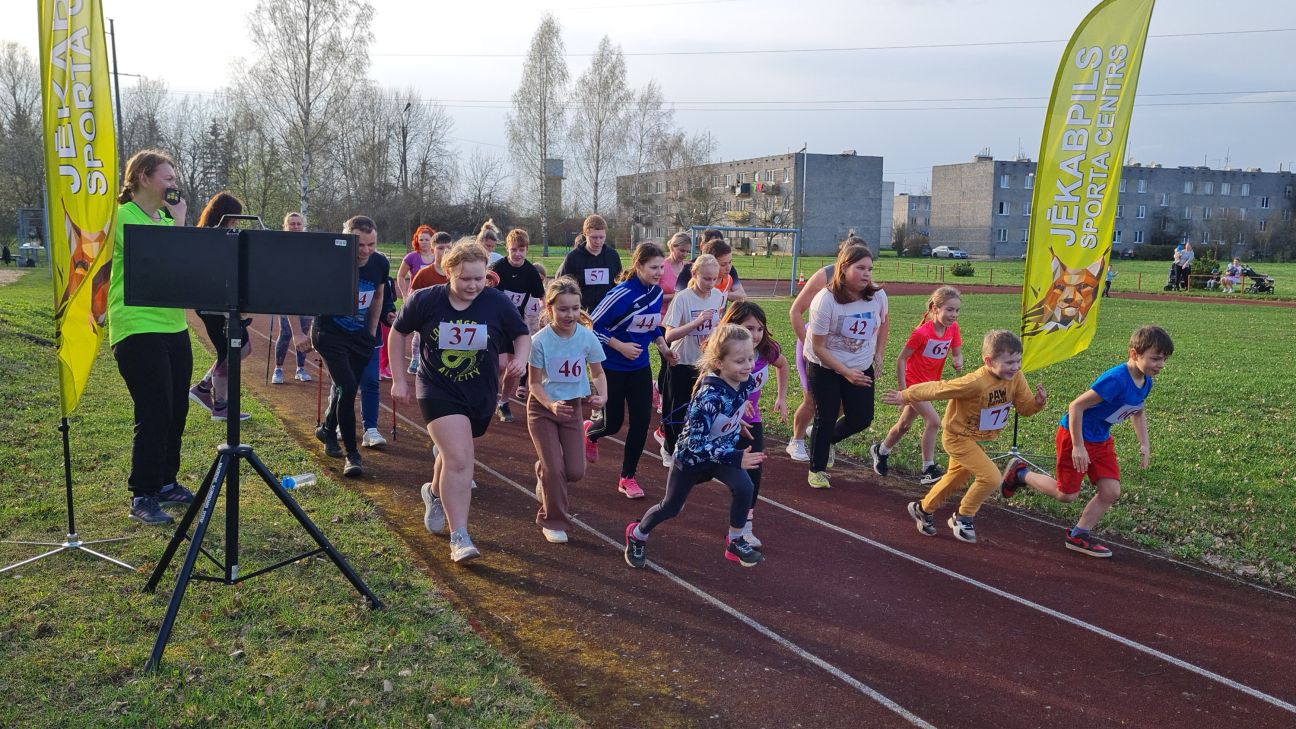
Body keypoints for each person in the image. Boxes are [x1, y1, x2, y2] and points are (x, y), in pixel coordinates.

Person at [390, 241, 530, 563]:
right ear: (449, 272)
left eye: (479, 279)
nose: (473, 286)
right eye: (465, 279)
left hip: (479, 392)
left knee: (455, 454)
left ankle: (434, 493)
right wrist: (399, 379)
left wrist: (520, 361)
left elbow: (521, 334)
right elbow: (397, 334)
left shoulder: (496, 303)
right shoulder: (426, 301)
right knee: (461, 461)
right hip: (436, 388)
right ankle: (460, 537)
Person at [1001, 325, 1172, 557]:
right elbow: (1076, 406)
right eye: (1155, 359)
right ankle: (1020, 474)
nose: (1160, 365)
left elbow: (1138, 411)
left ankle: (1079, 534)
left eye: (1164, 360)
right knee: (1066, 495)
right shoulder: (1116, 379)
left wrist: (1144, 444)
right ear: (1134, 354)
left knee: (1111, 491)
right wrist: (1079, 446)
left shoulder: (1146, 381)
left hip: (1101, 439)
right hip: (1075, 436)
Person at [623, 324, 767, 569]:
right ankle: (638, 534)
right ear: (719, 363)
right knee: (671, 507)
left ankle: (735, 540)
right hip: (691, 459)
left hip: (720, 455)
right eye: (740, 361)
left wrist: (737, 421)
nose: (748, 365)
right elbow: (696, 444)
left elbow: (729, 409)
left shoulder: (746, 382)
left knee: (745, 486)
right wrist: (734, 456)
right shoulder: (708, 397)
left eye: (751, 358)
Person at [884, 330, 1047, 544]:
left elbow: (1024, 408)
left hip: (977, 439)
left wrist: (1037, 403)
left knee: (956, 479)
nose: (1015, 367)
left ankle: (923, 509)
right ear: (989, 361)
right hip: (957, 437)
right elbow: (939, 388)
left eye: (1018, 361)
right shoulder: (976, 382)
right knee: (991, 477)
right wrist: (904, 395)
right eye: (1008, 362)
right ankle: (963, 517)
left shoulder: (1016, 378)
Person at [108, 149, 195, 525]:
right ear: (143, 177)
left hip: (174, 326)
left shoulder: (164, 218)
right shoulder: (122, 217)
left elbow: (185, 268)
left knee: (177, 409)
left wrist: (176, 222)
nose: (174, 186)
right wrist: (179, 224)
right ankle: (142, 494)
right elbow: (160, 260)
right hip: (136, 326)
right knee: (154, 409)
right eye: (168, 179)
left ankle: (165, 483)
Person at [585, 243, 676, 499]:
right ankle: (590, 432)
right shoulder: (620, 294)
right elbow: (591, 326)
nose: (659, 272)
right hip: (611, 368)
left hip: (640, 368)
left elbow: (652, 325)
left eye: (661, 267)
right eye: (653, 267)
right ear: (639, 266)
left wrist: (663, 346)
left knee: (641, 422)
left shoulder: (656, 293)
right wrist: (619, 345)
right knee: (612, 424)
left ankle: (628, 477)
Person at [527, 277, 608, 544]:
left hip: (572, 407)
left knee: (574, 471)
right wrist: (550, 404)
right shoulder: (539, 341)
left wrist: (602, 395)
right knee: (555, 470)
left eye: (574, 308)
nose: (569, 314)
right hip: (543, 409)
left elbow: (597, 372)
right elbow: (534, 383)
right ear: (550, 309)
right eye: (563, 309)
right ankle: (553, 521)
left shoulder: (587, 337)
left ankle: (543, 470)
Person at [804, 243, 889, 489]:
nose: (867, 274)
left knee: (862, 417)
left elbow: (883, 323)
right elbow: (819, 347)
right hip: (825, 365)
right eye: (860, 268)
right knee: (826, 415)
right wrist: (845, 373)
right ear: (843, 268)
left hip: (860, 364)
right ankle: (817, 470)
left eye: (870, 269)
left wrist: (879, 354)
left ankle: (824, 440)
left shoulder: (878, 295)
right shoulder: (825, 300)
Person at [312, 215, 388, 477]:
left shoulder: (380, 263)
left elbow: (378, 295)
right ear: (346, 239)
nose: (365, 251)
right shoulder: (332, 262)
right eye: (359, 245)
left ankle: (327, 430)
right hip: (330, 333)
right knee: (347, 387)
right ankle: (353, 455)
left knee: (346, 388)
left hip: (359, 336)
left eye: (371, 244)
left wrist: (371, 330)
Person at [784, 236, 870, 461]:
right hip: (816, 346)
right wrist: (806, 344)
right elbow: (795, 311)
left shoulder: (864, 279)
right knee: (812, 399)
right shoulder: (825, 275)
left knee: (842, 402)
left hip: (846, 352)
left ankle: (820, 434)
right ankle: (797, 440)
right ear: (843, 258)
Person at [871, 286, 963, 485]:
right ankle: (927, 468)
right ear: (935, 308)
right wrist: (904, 392)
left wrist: (958, 360)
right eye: (949, 310)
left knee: (904, 425)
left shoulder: (953, 328)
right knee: (934, 421)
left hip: (931, 386)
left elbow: (957, 352)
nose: (953, 315)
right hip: (914, 385)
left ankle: (881, 450)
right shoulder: (921, 333)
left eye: (956, 310)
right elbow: (901, 360)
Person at [720, 301, 788, 548]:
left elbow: (783, 364)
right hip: (722, 423)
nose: (756, 335)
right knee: (701, 471)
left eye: (760, 328)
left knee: (753, 474)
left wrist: (781, 397)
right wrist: (734, 404)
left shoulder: (766, 350)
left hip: (751, 421)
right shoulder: (721, 352)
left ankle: (743, 527)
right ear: (733, 326)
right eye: (749, 328)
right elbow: (706, 385)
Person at [188, 192, 252, 422]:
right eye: (234, 217)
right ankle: (220, 406)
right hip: (214, 305)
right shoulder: (209, 237)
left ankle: (204, 388)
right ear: (222, 214)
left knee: (238, 350)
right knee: (232, 351)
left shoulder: (223, 234)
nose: (237, 221)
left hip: (221, 303)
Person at [660, 254, 725, 465]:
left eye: (714, 279)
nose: (710, 283)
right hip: (681, 362)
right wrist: (696, 322)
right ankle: (670, 448)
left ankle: (694, 449)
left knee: (701, 409)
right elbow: (669, 335)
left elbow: (718, 327)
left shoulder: (718, 296)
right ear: (694, 274)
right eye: (706, 278)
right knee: (677, 408)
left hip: (704, 364)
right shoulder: (683, 298)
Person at [490, 228, 546, 421]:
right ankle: (489, 395)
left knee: (513, 368)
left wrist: (546, 312)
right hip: (495, 322)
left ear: (527, 249)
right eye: (513, 249)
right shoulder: (498, 268)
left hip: (515, 324)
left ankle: (503, 402)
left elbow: (542, 296)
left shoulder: (530, 271)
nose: (517, 254)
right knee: (500, 365)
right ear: (507, 248)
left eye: (521, 250)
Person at [272, 212, 314, 385]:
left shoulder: (308, 245)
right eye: (292, 224)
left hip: (305, 295)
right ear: (286, 225)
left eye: (298, 224)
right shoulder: (280, 244)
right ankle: (278, 369)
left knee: (304, 332)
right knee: (286, 333)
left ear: (303, 225)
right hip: (286, 295)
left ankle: (300, 368)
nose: (295, 226)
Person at [557, 214, 622, 311]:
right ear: (585, 235)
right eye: (594, 237)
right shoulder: (572, 258)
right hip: (581, 312)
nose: (598, 241)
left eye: (601, 237)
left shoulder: (612, 256)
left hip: (606, 311)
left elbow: (619, 284)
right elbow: (563, 287)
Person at [674, 235, 747, 302]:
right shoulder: (689, 269)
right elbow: (678, 299)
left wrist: (721, 295)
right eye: (722, 264)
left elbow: (742, 296)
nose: (728, 268)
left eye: (730, 262)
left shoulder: (729, 274)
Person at [397, 225, 437, 300]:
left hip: (434, 298)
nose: (424, 242)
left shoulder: (438, 257)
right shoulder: (410, 257)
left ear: (432, 241)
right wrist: (404, 295)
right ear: (417, 241)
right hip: (415, 298)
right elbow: (400, 276)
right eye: (421, 240)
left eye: (427, 240)